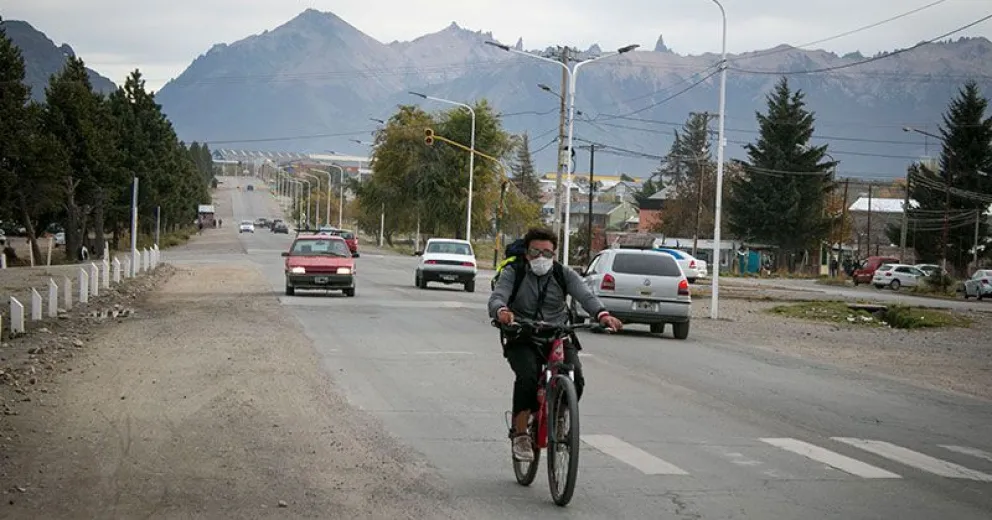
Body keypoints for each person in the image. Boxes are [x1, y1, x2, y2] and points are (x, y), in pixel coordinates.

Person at [488, 227, 622, 462]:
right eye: (536, 252)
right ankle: (520, 433)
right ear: (527, 253)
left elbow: (585, 296)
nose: (542, 258)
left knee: (576, 378)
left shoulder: (563, 274)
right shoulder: (514, 272)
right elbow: (498, 296)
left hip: (558, 333)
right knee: (528, 378)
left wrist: (602, 315)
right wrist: (502, 311)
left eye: (547, 253)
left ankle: (559, 418)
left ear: (555, 255)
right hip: (522, 334)